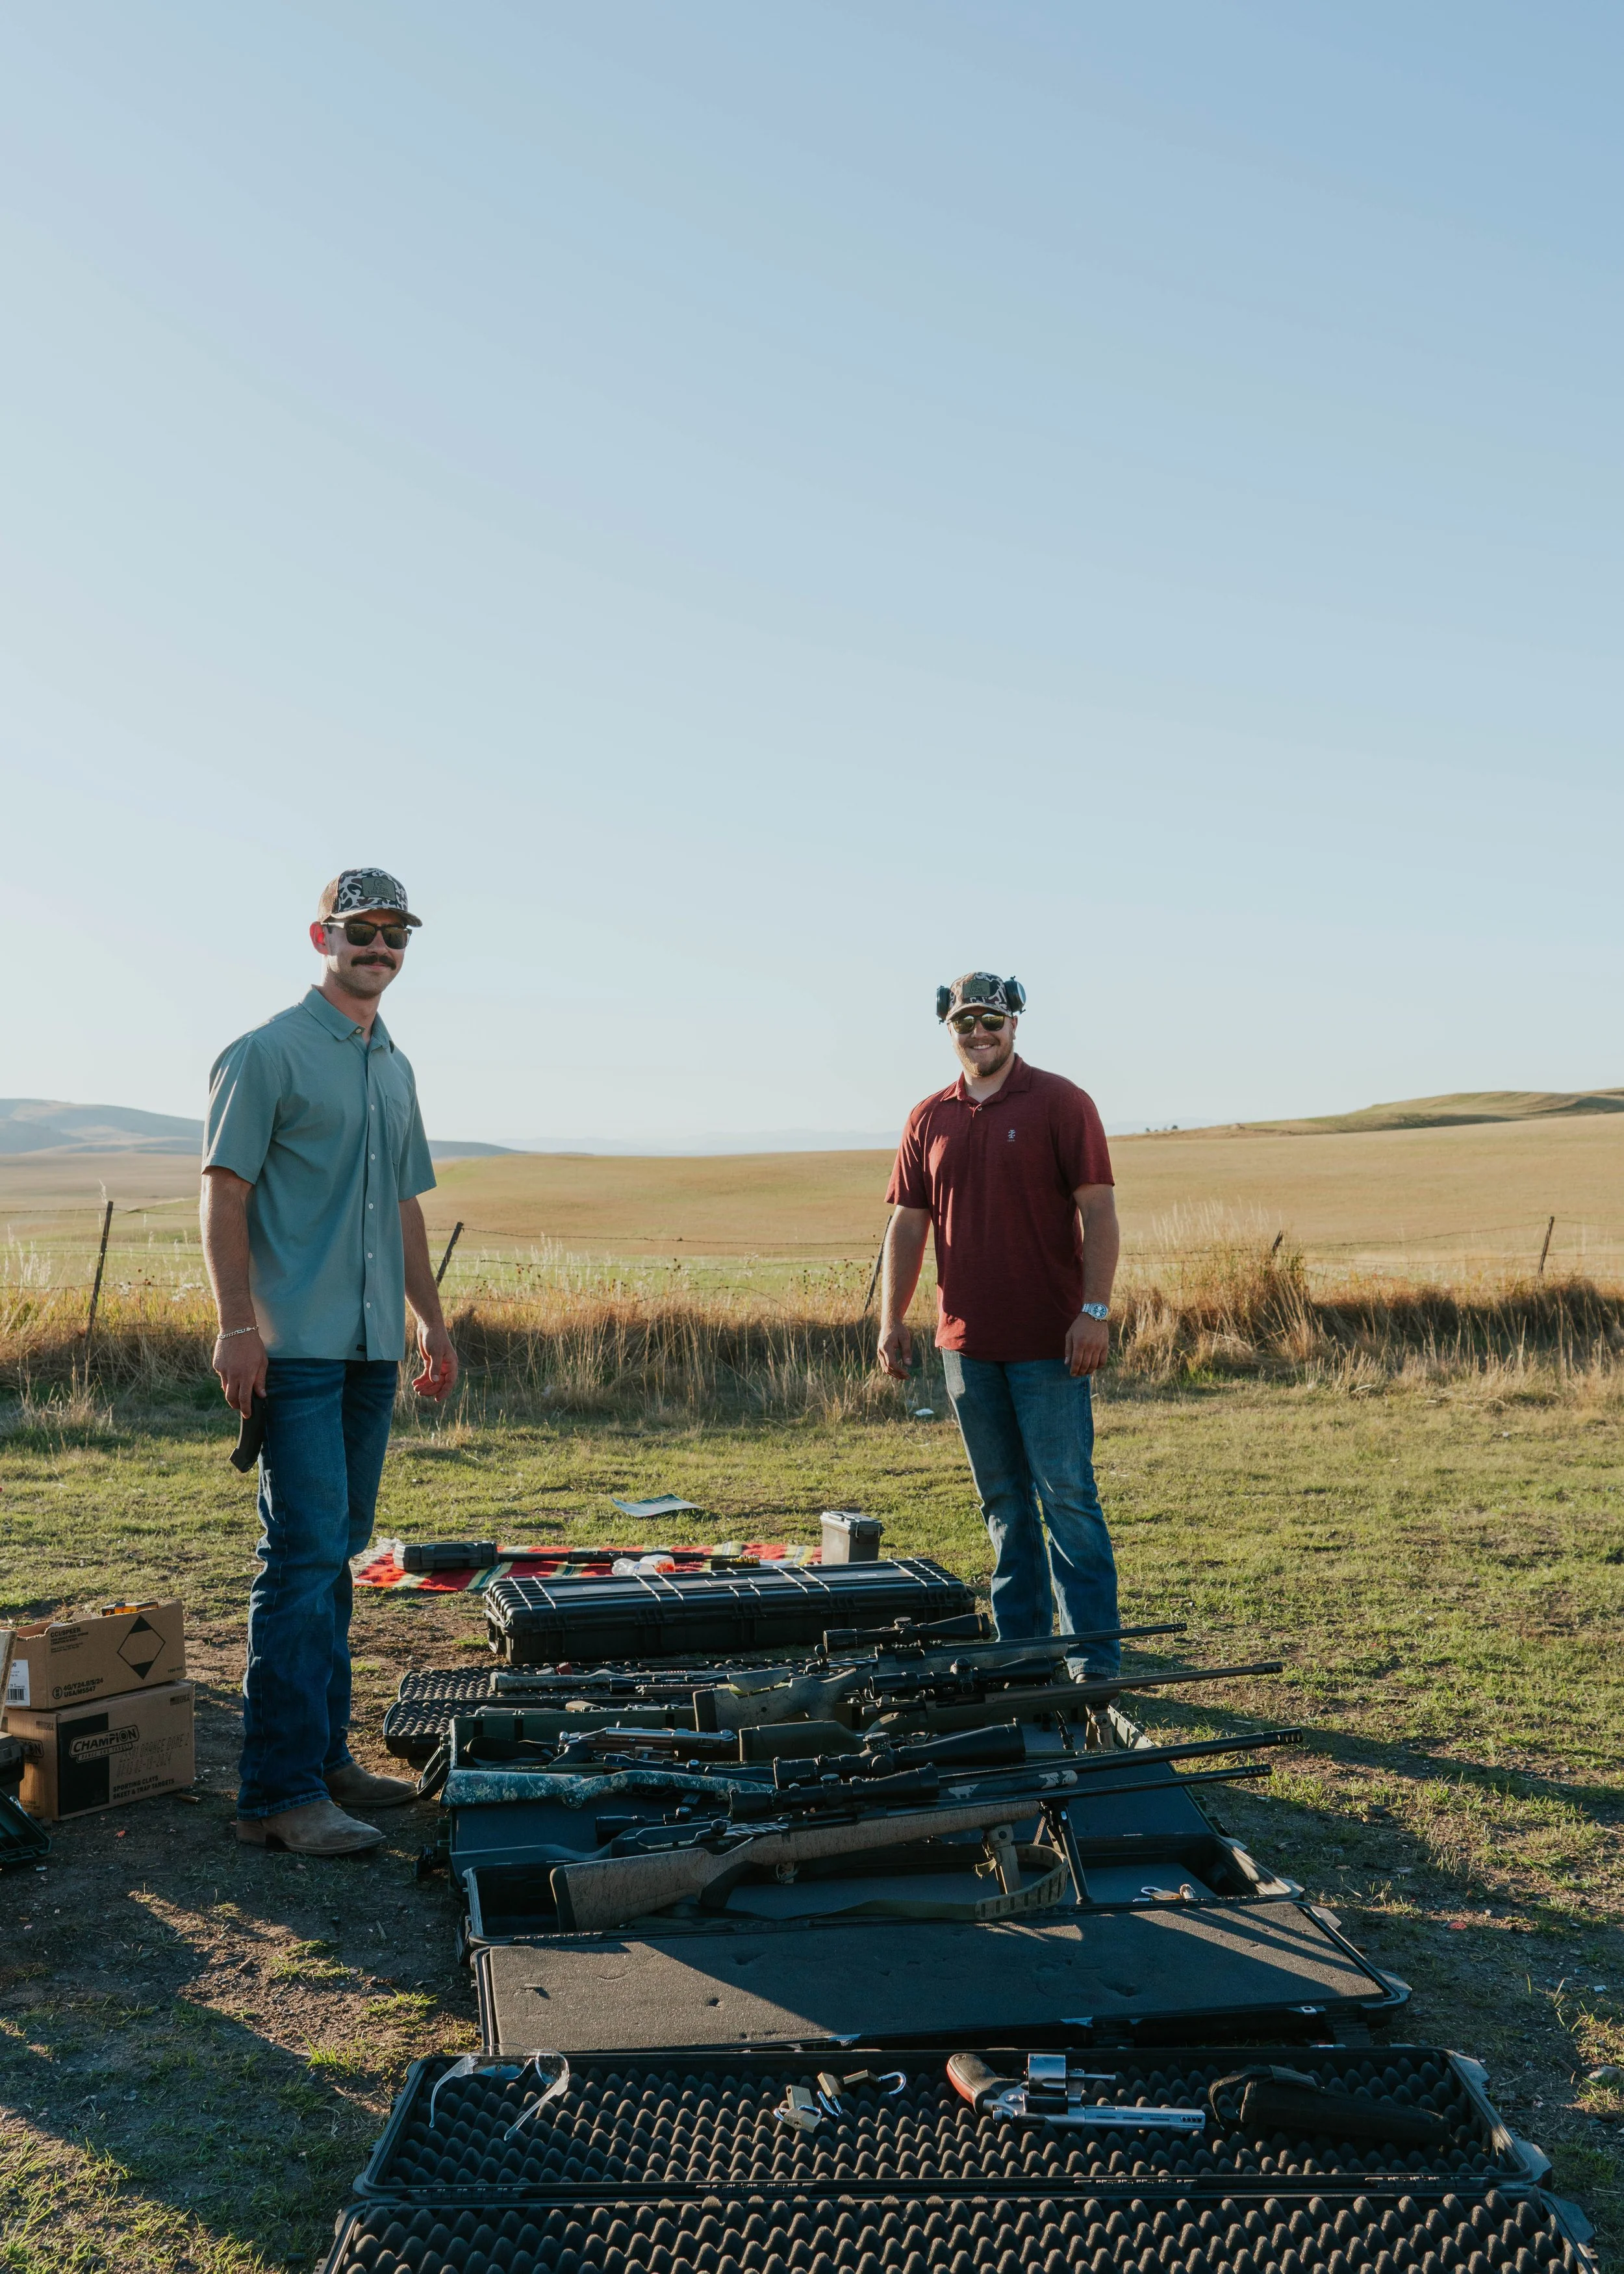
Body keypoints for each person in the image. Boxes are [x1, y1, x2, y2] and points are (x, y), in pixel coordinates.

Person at [201, 868, 459, 1857]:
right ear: (323, 937)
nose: (379, 948)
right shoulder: (265, 1054)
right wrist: (236, 1327)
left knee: (338, 1555)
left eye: (396, 934)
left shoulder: (393, 1065)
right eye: (362, 931)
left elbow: (404, 1205)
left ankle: (326, 1763)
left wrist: (428, 1321)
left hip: (368, 1354)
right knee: (300, 1559)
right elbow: (223, 1195)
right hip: (295, 1350)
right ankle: (276, 1794)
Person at [878, 972, 1122, 1673]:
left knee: (1067, 1498)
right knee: (1004, 1505)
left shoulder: (1060, 1102)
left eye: (992, 1019)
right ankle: (1023, 1651)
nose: (979, 1033)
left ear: (1015, 1022)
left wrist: (1094, 1311)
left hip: (1051, 1343)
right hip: (966, 1347)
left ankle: (1091, 1658)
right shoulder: (929, 1116)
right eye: (964, 1022)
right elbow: (908, 1221)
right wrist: (890, 1319)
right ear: (947, 1029)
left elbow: (1099, 1212)